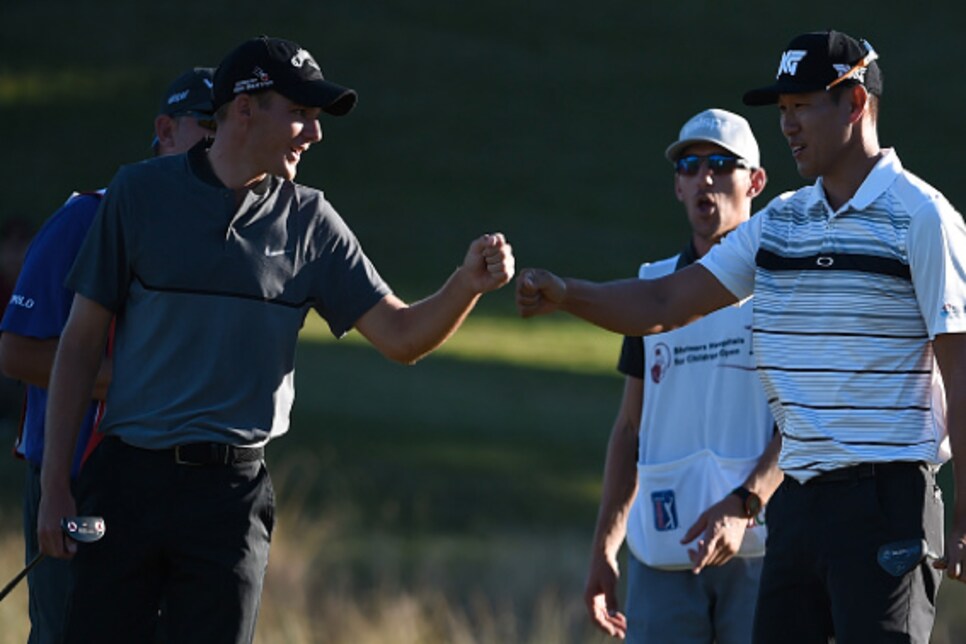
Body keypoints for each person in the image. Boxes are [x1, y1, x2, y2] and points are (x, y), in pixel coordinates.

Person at [38, 36, 514, 644]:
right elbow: (78, 347)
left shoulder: (312, 222)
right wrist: (56, 484)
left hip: (230, 498)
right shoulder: (138, 193)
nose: (313, 135)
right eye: (300, 115)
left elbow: (402, 337)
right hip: (129, 480)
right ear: (243, 110)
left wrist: (465, 284)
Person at [517, 29, 966, 643]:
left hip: (886, 497)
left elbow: (961, 373)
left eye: (803, 105)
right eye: (782, 110)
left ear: (856, 104)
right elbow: (665, 302)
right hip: (798, 505)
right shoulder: (781, 221)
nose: (788, 126)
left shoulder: (923, 217)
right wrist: (569, 293)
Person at [0, 66, 216, 644]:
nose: (221, 142)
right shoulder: (88, 217)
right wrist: (132, 383)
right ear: (165, 130)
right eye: (208, 125)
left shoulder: (228, 240)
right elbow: (17, 352)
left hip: (173, 496)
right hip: (75, 480)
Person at [583, 108, 783, 643]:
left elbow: (804, 423)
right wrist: (606, 545)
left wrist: (745, 505)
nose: (705, 177)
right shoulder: (650, 292)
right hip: (661, 559)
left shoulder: (782, 290)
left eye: (721, 163)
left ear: (756, 182)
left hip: (762, 553)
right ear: (677, 186)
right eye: (690, 166)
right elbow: (630, 430)